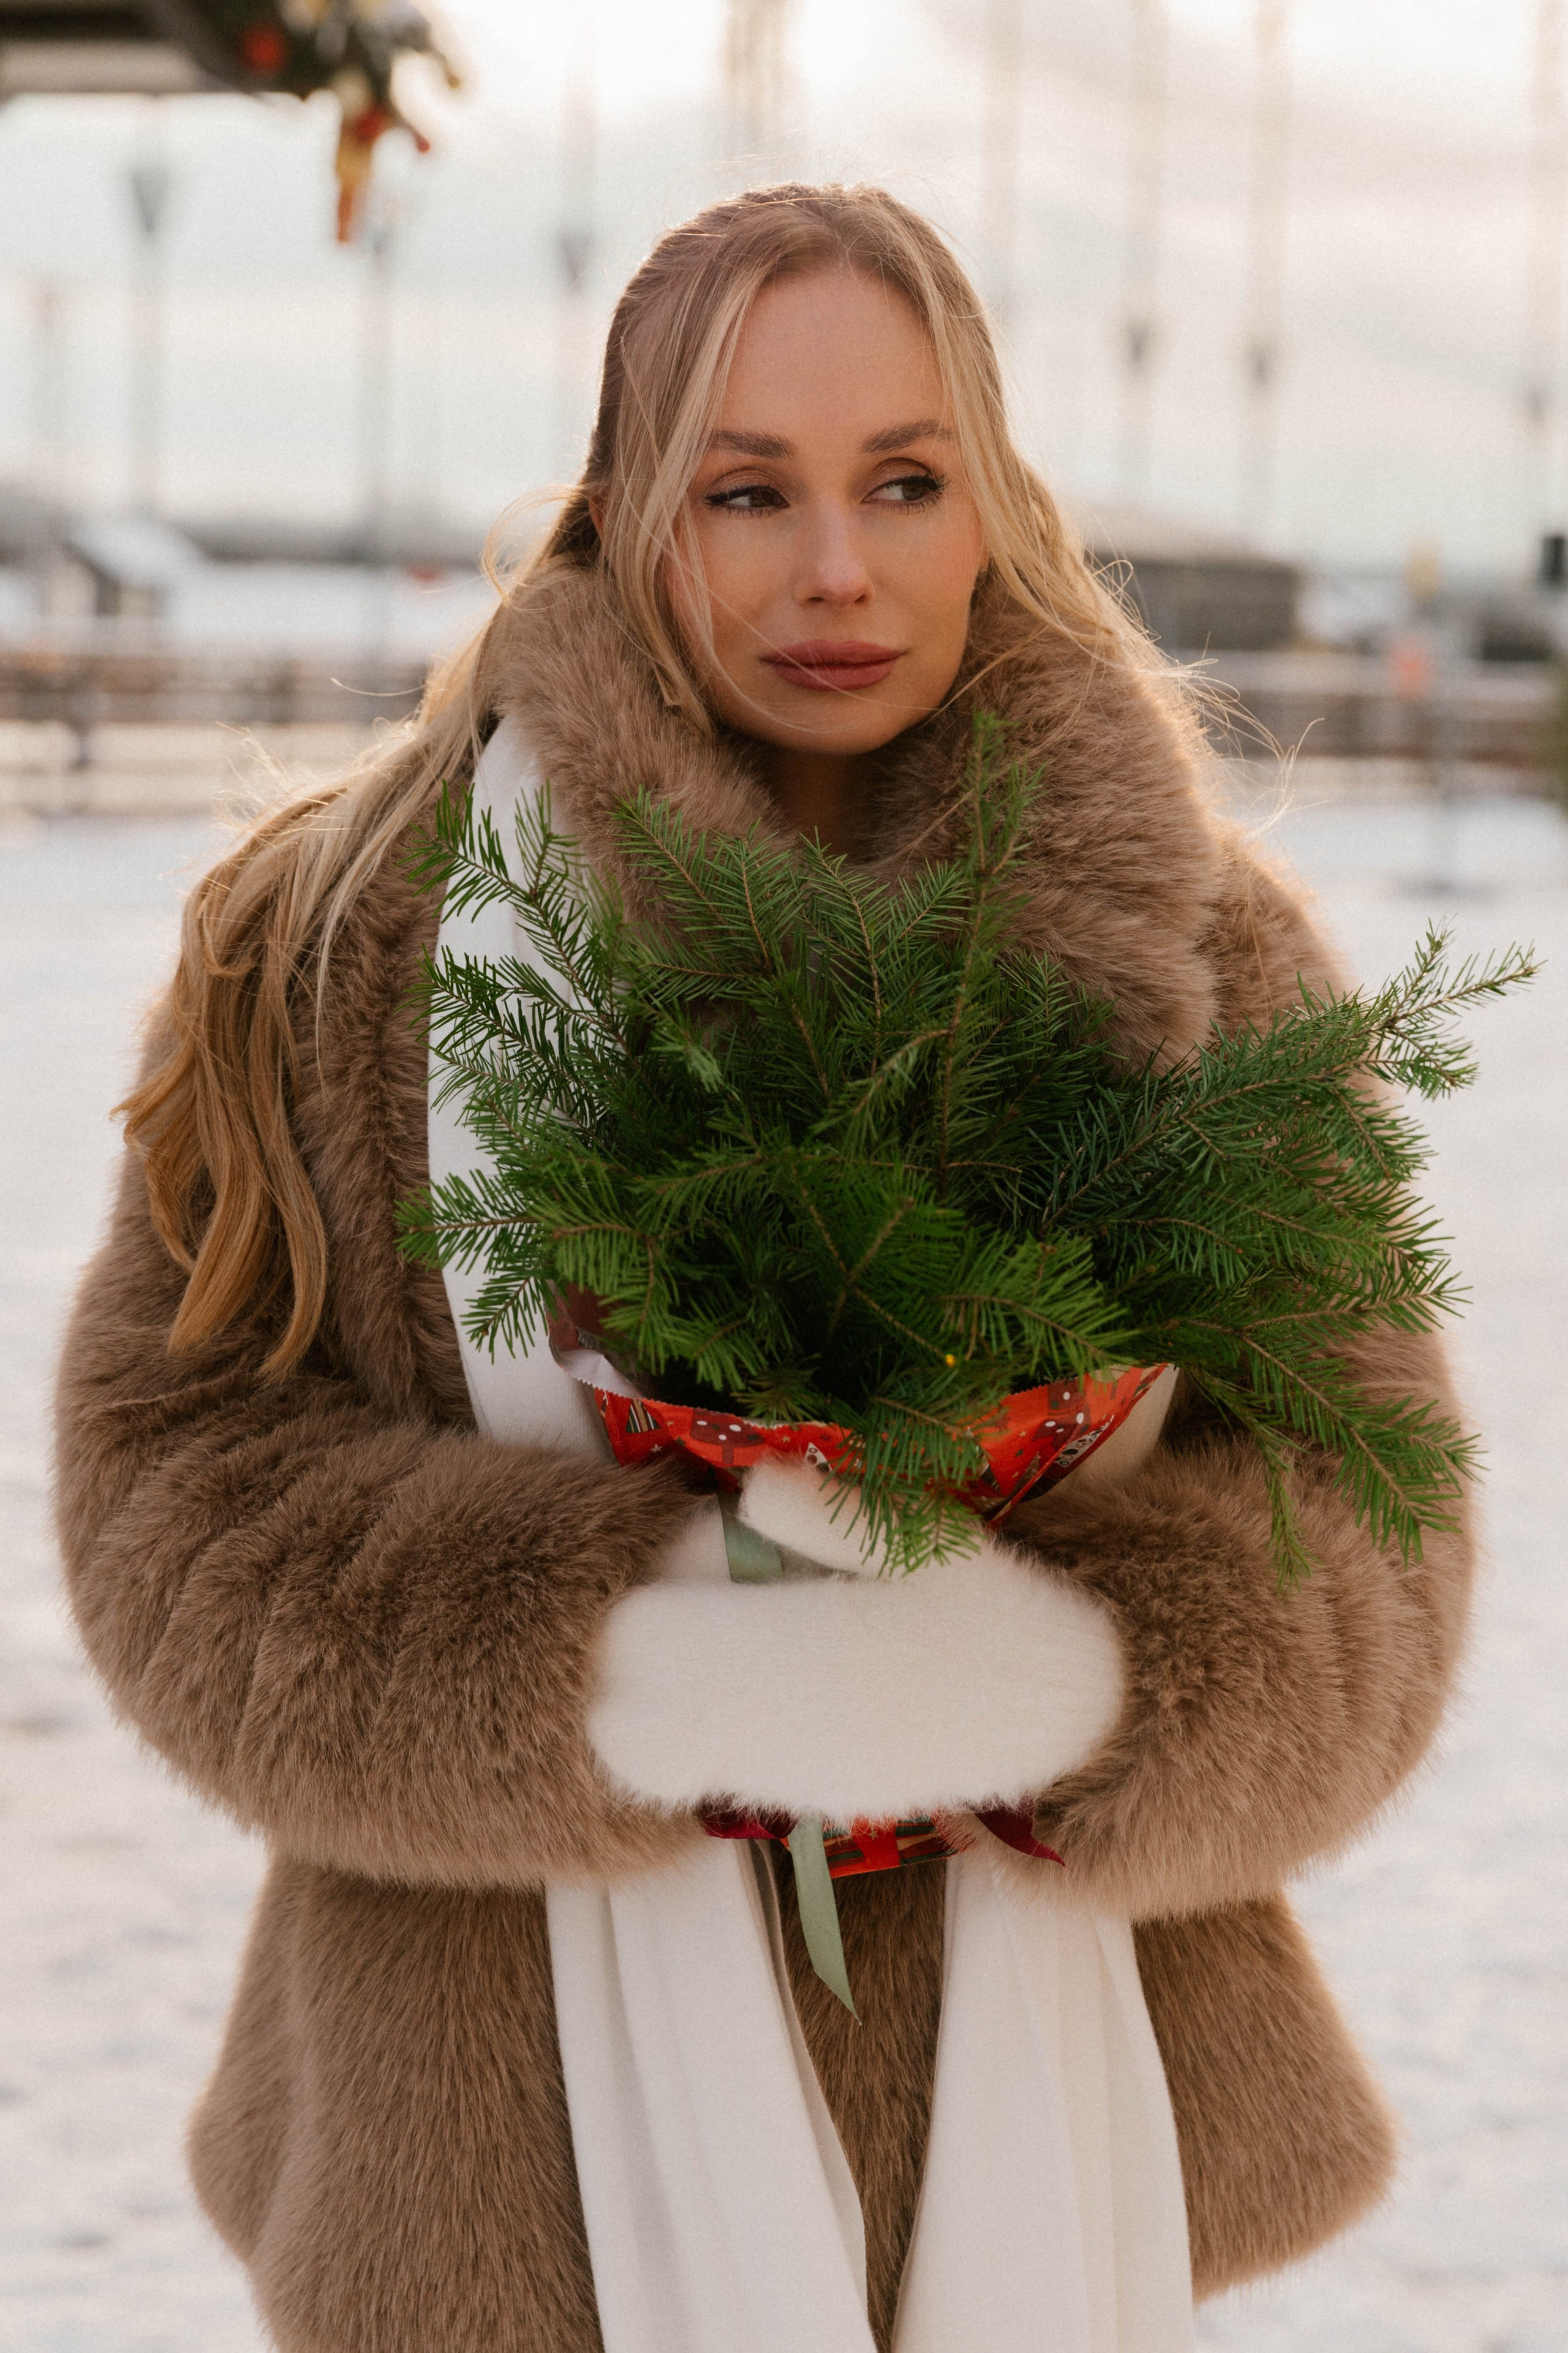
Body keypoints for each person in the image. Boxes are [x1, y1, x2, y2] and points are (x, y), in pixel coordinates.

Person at [54, 184, 1472, 2353]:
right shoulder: (332, 947)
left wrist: (1089, 1682)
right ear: (628, 511)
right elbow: (168, 1491)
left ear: (992, 500)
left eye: (905, 479)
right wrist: (625, 1669)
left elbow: (1388, 1531)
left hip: (1053, 2176)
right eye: (748, 489)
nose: (837, 563)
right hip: (488, 2184)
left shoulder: (1214, 959)